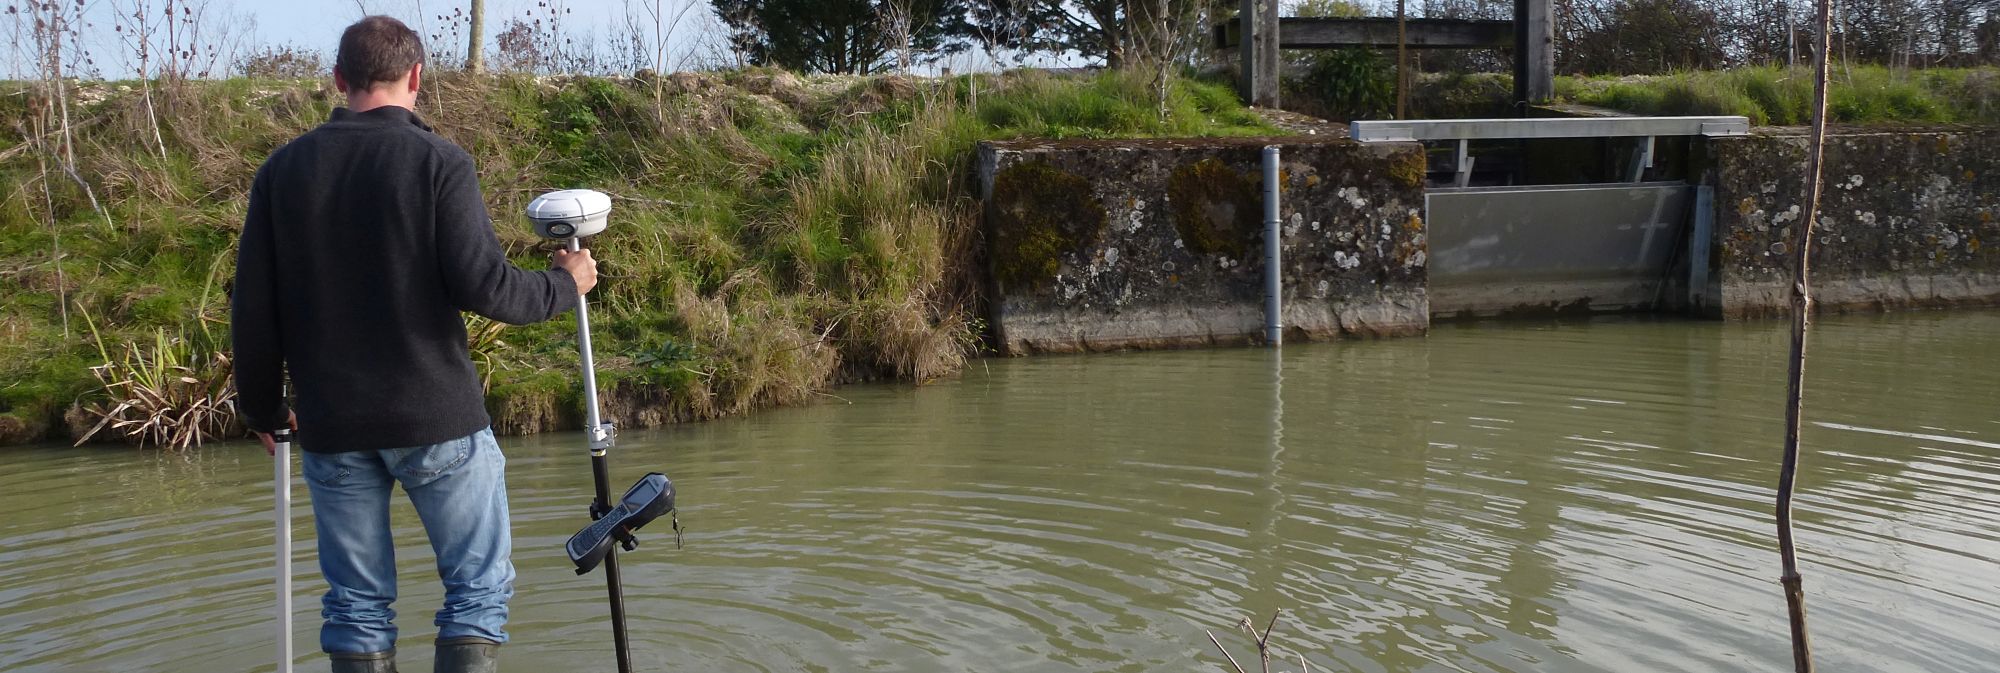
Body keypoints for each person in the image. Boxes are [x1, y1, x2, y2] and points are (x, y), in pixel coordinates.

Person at [231, 15, 597, 673]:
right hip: (438, 421)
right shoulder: (439, 162)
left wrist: (261, 408)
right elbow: (487, 287)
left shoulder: (280, 174)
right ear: (418, 77)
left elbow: (253, 310)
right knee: (478, 589)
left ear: (339, 79)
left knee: (357, 605)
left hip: (332, 424)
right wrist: (563, 284)